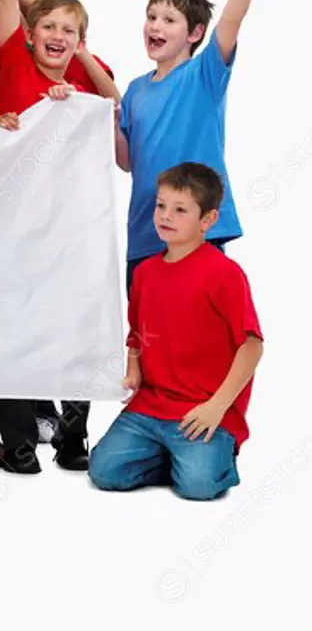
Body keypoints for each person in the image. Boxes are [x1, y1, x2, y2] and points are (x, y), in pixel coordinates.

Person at [0, 0, 120, 475]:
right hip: (15, 223)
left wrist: (83, 73)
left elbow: (120, 109)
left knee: (77, 322)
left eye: (71, 30)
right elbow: (5, 0)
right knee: (16, 324)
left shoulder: (88, 86)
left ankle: (73, 430)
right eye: (50, 27)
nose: (58, 36)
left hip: (73, 227)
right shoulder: (14, 61)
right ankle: (17, 437)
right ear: (31, 34)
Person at [117, 0, 285, 292]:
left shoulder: (203, 75)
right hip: (145, 237)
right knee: (149, 341)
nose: (155, 26)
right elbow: (127, 162)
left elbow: (231, 19)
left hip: (198, 233)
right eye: (152, 16)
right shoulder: (135, 90)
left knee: (200, 336)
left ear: (194, 34)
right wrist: (109, 122)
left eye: (169, 20)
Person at [89, 163, 263, 500]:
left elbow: (252, 346)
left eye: (180, 210)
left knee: (198, 487)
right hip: (151, 407)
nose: (165, 216)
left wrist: (217, 406)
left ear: (208, 220)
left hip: (203, 410)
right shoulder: (145, 272)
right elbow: (137, 335)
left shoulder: (224, 274)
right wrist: (134, 367)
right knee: (104, 471)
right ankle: (173, 457)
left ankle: (207, 457)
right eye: (160, 205)